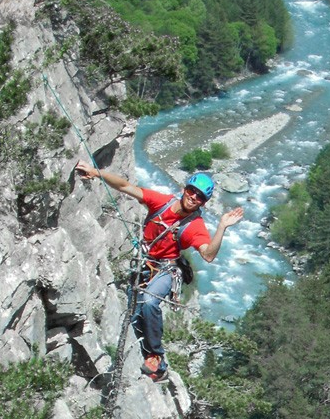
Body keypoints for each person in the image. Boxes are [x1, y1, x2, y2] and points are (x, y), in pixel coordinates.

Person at [75, 161, 243, 382]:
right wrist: (95, 172)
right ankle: (158, 367)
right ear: (185, 189)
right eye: (192, 191)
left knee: (150, 302)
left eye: (200, 197)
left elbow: (208, 255)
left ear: (204, 202)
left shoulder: (195, 226)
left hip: (168, 269)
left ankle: (156, 355)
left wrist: (221, 227)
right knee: (135, 318)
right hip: (146, 264)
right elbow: (125, 186)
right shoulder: (162, 202)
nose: (193, 197)